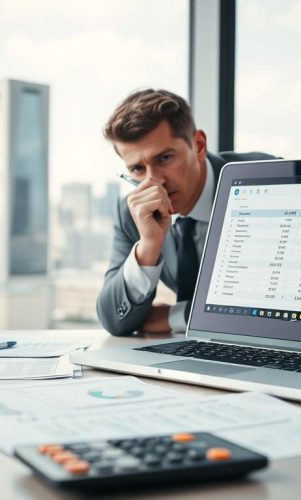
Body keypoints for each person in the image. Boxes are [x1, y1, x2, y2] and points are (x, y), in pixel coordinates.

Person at [97, 89, 275, 336]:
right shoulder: (132, 213)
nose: (154, 182)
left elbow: (278, 308)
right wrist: (148, 245)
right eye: (138, 168)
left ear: (199, 145)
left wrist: (175, 316)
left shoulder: (266, 179)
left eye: (165, 158)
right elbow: (114, 319)